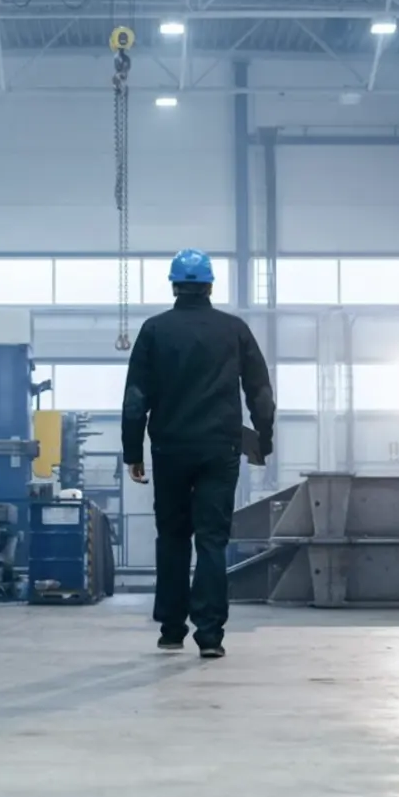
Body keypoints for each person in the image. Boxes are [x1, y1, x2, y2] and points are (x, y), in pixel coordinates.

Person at [122, 249, 275, 659]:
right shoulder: (234, 330)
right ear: (210, 286)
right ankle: (209, 636)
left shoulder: (154, 330)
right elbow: (259, 390)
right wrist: (264, 437)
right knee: (211, 539)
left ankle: (172, 629)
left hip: (170, 448)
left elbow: (136, 395)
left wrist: (132, 450)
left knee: (172, 537)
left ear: (174, 285)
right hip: (218, 449)